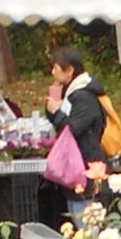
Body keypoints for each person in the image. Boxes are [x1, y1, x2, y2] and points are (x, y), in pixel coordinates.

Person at [46, 45, 109, 193]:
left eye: (56, 68)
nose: (52, 72)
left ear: (69, 71)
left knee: (84, 213)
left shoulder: (83, 96)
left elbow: (72, 129)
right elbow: (58, 122)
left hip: (86, 166)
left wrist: (57, 111)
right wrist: (53, 103)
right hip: (74, 165)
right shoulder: (70, 92)